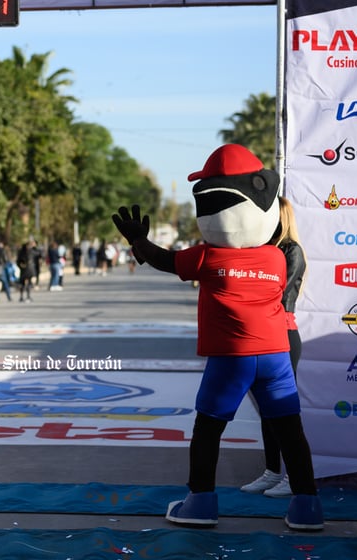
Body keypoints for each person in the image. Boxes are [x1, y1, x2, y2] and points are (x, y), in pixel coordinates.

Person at [111, 144, 322, 532]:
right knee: (291, 432)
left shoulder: (208, 256)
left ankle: (201, 503)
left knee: (208, 430)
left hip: (231, 358)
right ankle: (307, 507)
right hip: (275, 354)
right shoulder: (275, 258)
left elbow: (165, 260)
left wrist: (137, 242)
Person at [240, 196, 306, 498]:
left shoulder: (292, 251)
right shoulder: (261, 251)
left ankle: (294, 477)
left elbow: (274, 293)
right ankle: (272, 471)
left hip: (282, 334)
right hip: (259, 335)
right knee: (267, 409)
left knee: (283, 410)